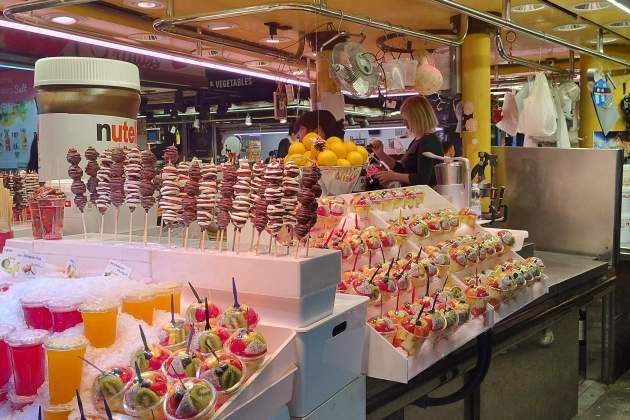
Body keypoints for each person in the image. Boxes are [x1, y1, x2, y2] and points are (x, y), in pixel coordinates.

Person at [372, 96, 443, 187]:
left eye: (406, 119)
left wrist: (394, 176)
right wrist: (381, 154)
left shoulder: (428, 142)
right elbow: (402, 169)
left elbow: (423, 180)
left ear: (417, 119)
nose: (404, 124)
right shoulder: (418, 140)